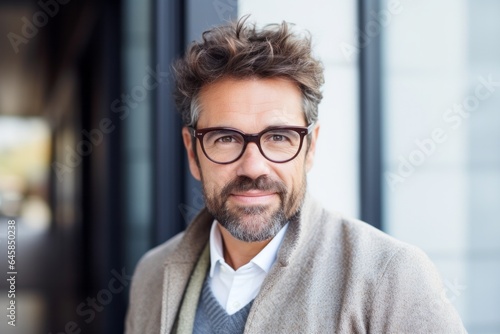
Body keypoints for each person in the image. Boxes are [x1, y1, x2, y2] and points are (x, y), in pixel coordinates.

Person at [125, 17, 466, 333]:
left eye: (278, 138)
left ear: (310, 148)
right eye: (226, 139)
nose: (253, 167)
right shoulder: (152, 274)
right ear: (192, 152)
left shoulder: (390, 277)